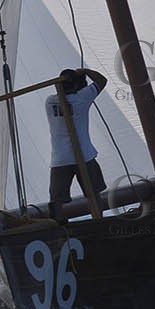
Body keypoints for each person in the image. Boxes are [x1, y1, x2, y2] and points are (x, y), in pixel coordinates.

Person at [45, 67, 108, 213]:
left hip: (60, 159)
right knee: (93, 194)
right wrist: (85, 71)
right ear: (76, 86)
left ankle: (58, 225)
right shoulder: (82, 98)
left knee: (56, 199)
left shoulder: (49, 102)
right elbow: (102, 80)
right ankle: (99, 221)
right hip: (84, 156)